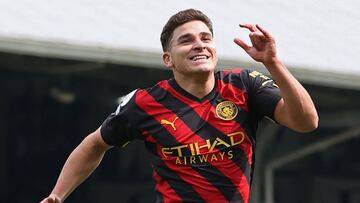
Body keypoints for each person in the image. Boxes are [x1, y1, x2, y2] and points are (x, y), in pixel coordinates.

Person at [40, 8, 318, 203]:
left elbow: (306, 122)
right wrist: (58, 195)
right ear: (168, 59)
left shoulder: (244, 85)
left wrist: (273, 63)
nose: (199, 45)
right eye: (186, 41)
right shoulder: (145, 104)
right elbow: (94, 144)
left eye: (205, 38)